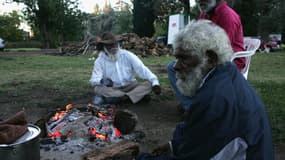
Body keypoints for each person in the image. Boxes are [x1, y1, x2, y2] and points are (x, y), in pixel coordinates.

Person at [136, 20, 274, 160]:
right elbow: (197, 133)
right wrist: (174, 145)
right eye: (177, 58)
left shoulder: (213, 99)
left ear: (210, 58)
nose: (176, 66)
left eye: (184, 58)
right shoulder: (226, 72)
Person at [167, 0, 245, 112]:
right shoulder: (204, 14)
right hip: (208, 55)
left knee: (194, 68)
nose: (199, 1)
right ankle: (191, 105)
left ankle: (196, 109)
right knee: (172, 67)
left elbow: (223, 50)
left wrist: (198, 61)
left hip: (229, 60)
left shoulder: (228, 16)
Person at [89, 32, 161, 105]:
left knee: (148, 84)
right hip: (113, 89)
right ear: (104, 47)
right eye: (110, 45)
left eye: (115, 44)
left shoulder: (127, 55)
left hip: (131, 86)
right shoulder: (99, 61)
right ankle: (133, 97)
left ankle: (122, 98)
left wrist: (155, 83)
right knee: (98, 89)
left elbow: (142, 69)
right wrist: (101, 81)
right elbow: (94, 80)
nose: (113, 47)